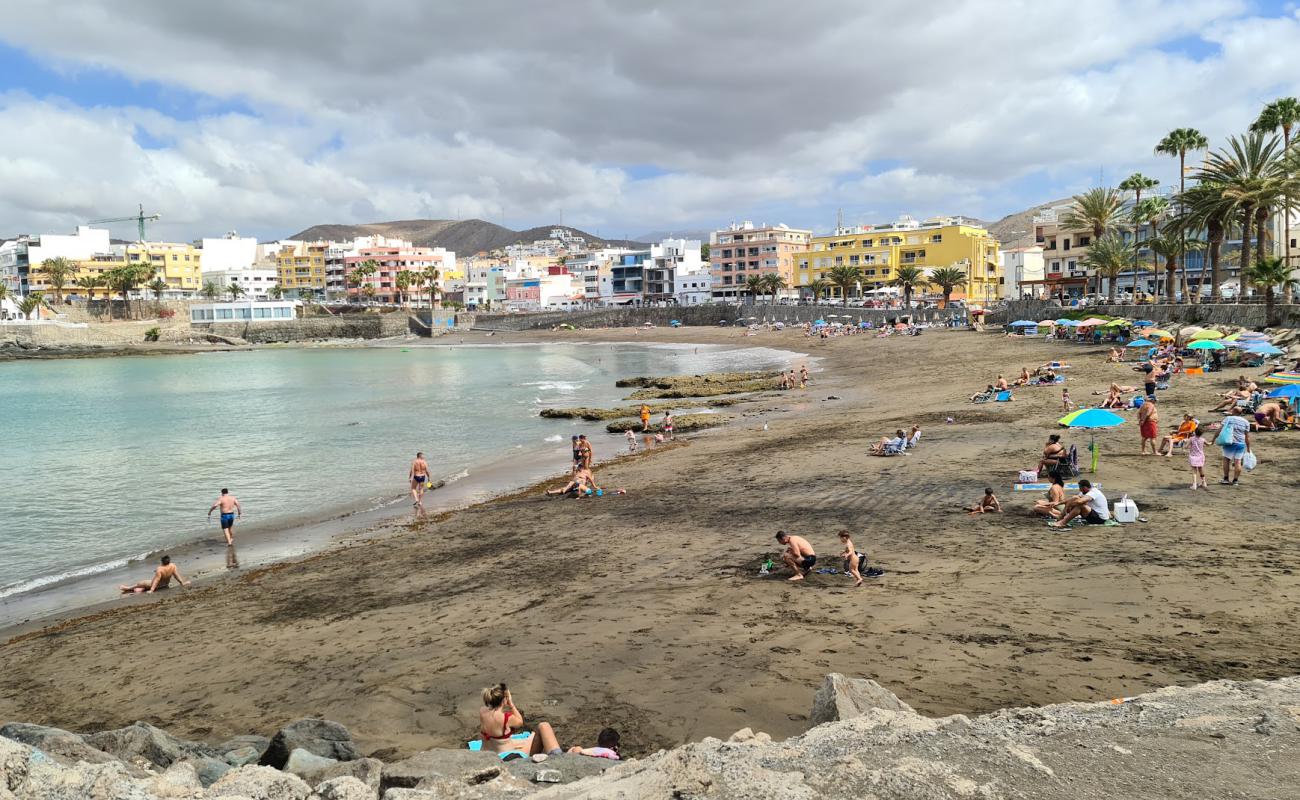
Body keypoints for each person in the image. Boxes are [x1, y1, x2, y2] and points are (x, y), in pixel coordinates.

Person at [478, 684, 561, 759]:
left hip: (487, 752)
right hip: (507, 756)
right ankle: (557, 757)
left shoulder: (482, 711)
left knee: (521, 740)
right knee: (534, 734)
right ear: (504, 700)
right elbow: (520, 722)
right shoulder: (506, 718)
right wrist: (511, 704)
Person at [120, 555, 189, 594]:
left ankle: (127, 588)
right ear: (169, 561)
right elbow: (176, 575)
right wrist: (182, 583)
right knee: (146, 583)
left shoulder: (160, 569)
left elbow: (156, 581)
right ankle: (140, 589)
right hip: (165, 584)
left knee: (141, 582)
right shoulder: (173, 566)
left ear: (162, 562)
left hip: (156, 586)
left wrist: (152, 590)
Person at [1219, 411, 1252, 485]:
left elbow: (1220, 429)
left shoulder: (1228, 418)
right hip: (1241, 443)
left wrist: (1214, 438)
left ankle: (1226, 479)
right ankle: (1235, 480)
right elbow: (1247, 436)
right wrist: (1248, 448)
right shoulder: (1246, 421)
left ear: (1233, 412)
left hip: (1230, 442)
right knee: (1238, 461)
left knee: (1226, 460)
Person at [1187, 426, 1208, 490]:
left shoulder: (1191, 438)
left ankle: (1194, 485)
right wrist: (1212, 441)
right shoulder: (1203, 439)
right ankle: (1204, 482)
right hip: (1200, 456)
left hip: (1193, 456)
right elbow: (1208, 444)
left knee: (1194, 471)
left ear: (1195, 432)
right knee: (1201, 469)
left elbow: (1186, 446)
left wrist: (1188, 445)